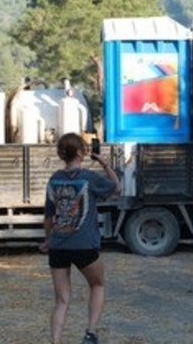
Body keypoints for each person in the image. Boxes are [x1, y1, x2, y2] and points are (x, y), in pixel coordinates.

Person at [40, 133, 121, 344]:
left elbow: (49, 216)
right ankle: (90, 334)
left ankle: (55, 341)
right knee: (97, 285)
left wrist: (48, 239)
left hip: (58, 245)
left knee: (61, 301)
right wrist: (104, 163)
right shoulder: (89, 178)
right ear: (80, 152)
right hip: (85, 245)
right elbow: (117, 188)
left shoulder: (54, 179)